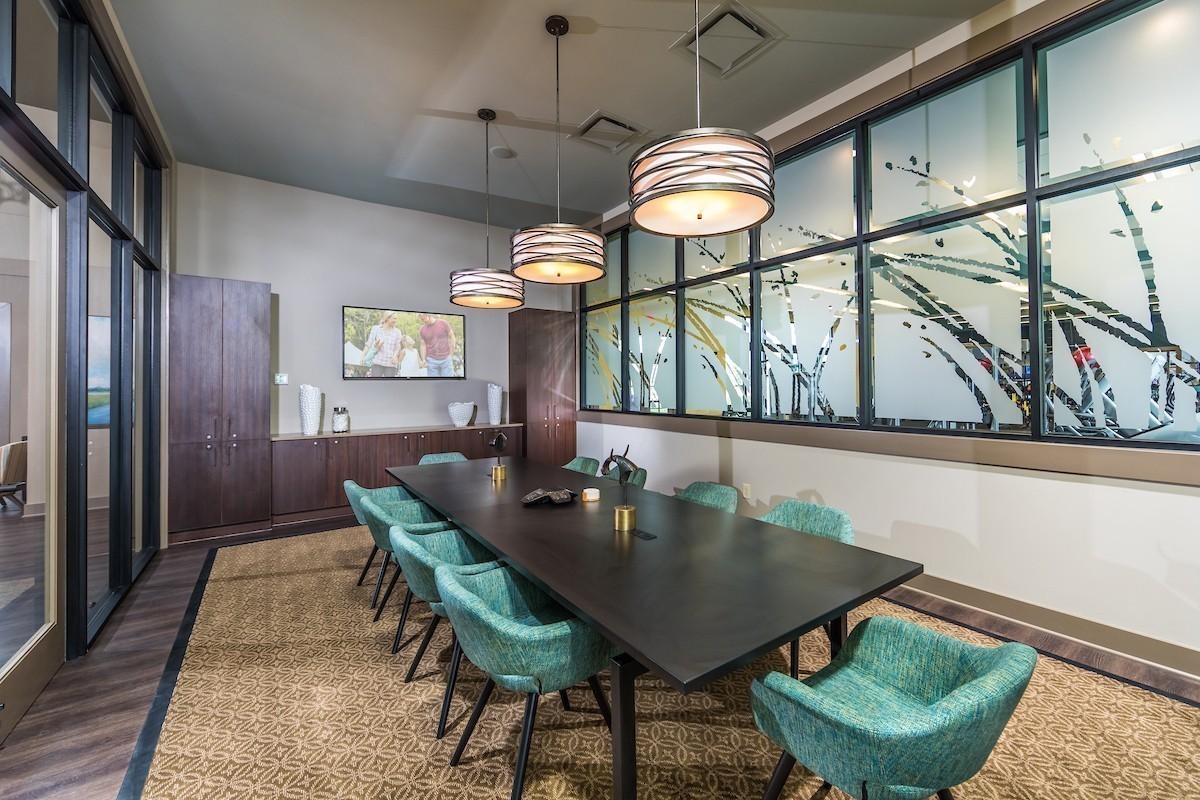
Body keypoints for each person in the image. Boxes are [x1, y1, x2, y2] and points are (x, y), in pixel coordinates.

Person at [362, 310, 404, 378]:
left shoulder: (397, 332)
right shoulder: (376, 329)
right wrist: (362, 356)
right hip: (377, 362)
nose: (396, 320)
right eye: (394, 318)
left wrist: (395, 356)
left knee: (389, 384)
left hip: (391, 364)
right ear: (387, 318)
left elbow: (398, 347)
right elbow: (369, 344)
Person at [418, 313, 457, 377]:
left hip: (446, 359)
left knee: (448, 382)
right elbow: (423, 345)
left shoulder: (443, 323)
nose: (423, 321)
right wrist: (423, 360)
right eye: (421, 320)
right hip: (431, 360)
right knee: (433, 382)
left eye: (424, 319)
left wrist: (451, 355)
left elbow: (452, 337)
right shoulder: (422, 329)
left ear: (429, 315)